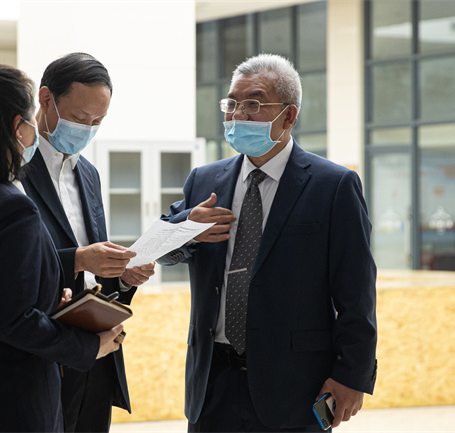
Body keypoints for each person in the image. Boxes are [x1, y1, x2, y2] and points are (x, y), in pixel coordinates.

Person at [158, 54, 377, 432]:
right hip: (212, 385)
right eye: (231, 104)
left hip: (296, 387)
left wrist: (352, 375)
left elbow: (357, 293)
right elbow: (162, 251)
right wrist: (186, 227)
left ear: (289, 116)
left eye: (253, 104)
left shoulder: (333, 186)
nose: (237, 115)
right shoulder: (204, 180)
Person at [0, 64, 124, 433]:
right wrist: (89, 347)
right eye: (31, 119)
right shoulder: (12, 207)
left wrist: (48, 301)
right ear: (19, 126)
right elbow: (14, 322)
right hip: (10, 404)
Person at [21, 52, 155, 432]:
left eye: (98, 122)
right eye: (80, 118)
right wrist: (78, 259)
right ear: (46, 99)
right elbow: (16, 263)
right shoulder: (15, 170)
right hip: (46, 354)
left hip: (97, 354)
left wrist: (122, 276)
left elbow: (95, 264)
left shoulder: (89, 174)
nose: (87, 129)